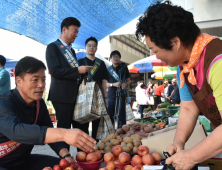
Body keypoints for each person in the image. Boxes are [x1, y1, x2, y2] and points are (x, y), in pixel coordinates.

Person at [136, 1, 222, 169]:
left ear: (175, 43)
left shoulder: (217, 62)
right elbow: (189, 108)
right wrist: (179, 141)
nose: (153, 54)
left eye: (154, 49)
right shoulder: (184, 66)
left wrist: (192, 156)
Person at [0, 57, 96, 170]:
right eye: (35, 80)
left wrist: (67, 156)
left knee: (63, 165)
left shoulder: (39, 103)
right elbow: (16, 131)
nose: (41, 85)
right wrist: (64, 133)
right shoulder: (3, 103)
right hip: (3, 164)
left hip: (24, 161)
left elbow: (48, 129)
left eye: (43, 79)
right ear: (19, 81)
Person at [46, 17, 92, 150]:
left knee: (81, 128)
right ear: (64, 29)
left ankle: (83, 158)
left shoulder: (71, 51)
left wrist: (82, 73)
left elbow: (71, 72)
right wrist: (77, 70)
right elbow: (54, 71)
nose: (76, 35)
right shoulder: (53, 47)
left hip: (76, 96)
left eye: (77, 32)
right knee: (64, 130)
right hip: (62, 96)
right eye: (75, 31)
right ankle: (65, 160)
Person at [78, 37, 109, 141]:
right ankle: (84, 148)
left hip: (98, 95)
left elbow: (104, 81)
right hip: (84, 95)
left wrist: (105, 97)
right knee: (83, 122)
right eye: (89, 45)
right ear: (85, 47)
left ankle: (96, 146)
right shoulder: (80, 62)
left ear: (96, 48)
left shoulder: (101, 63)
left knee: (97, 122)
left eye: (94, 46)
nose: (91, 47)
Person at [106, 50, 131, 128]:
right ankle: (111, 132)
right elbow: (105, 83)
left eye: (117, 56)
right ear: (110, 58)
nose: (115, 58)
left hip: (121, 95)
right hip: (111, 96)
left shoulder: (124, 67)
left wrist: (126, 85)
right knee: (110, 116)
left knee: (121, 116)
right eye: (113, 57)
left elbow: (128, 80)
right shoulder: (108, 69)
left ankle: (122, 133)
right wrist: (113, 84)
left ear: (120, 58)